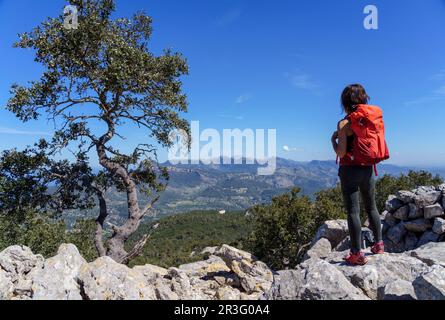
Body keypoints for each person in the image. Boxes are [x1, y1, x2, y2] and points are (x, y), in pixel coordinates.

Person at [331, 84, 388, 266]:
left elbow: (341, 153)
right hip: (368, 168)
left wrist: (333, 140)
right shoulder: (371, 119)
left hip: (350, 170)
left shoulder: (345, 123)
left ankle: (356, 253)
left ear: (345, 102)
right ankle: (379, 244)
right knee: (371, 206)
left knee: (353, 211)